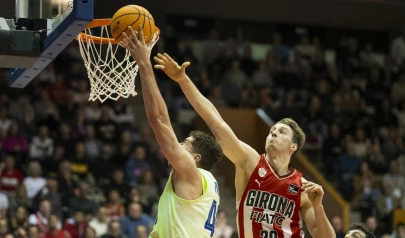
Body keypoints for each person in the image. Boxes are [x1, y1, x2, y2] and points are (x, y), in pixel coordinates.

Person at [153, 53, 335, 237]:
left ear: (293, 146)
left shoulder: (303, 187)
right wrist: (182, 79)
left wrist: (318, 207)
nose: (274, 132)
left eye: (282, 132)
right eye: (273, 130)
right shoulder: (250, 162)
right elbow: (216, 122)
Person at [121, 26, 224, 237]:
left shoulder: (189, 172)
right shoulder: (204, 180)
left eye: (184, 143)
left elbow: (157, 120)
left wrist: (143, 63)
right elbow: (165, 121)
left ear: (195, 157)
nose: (177, 144)